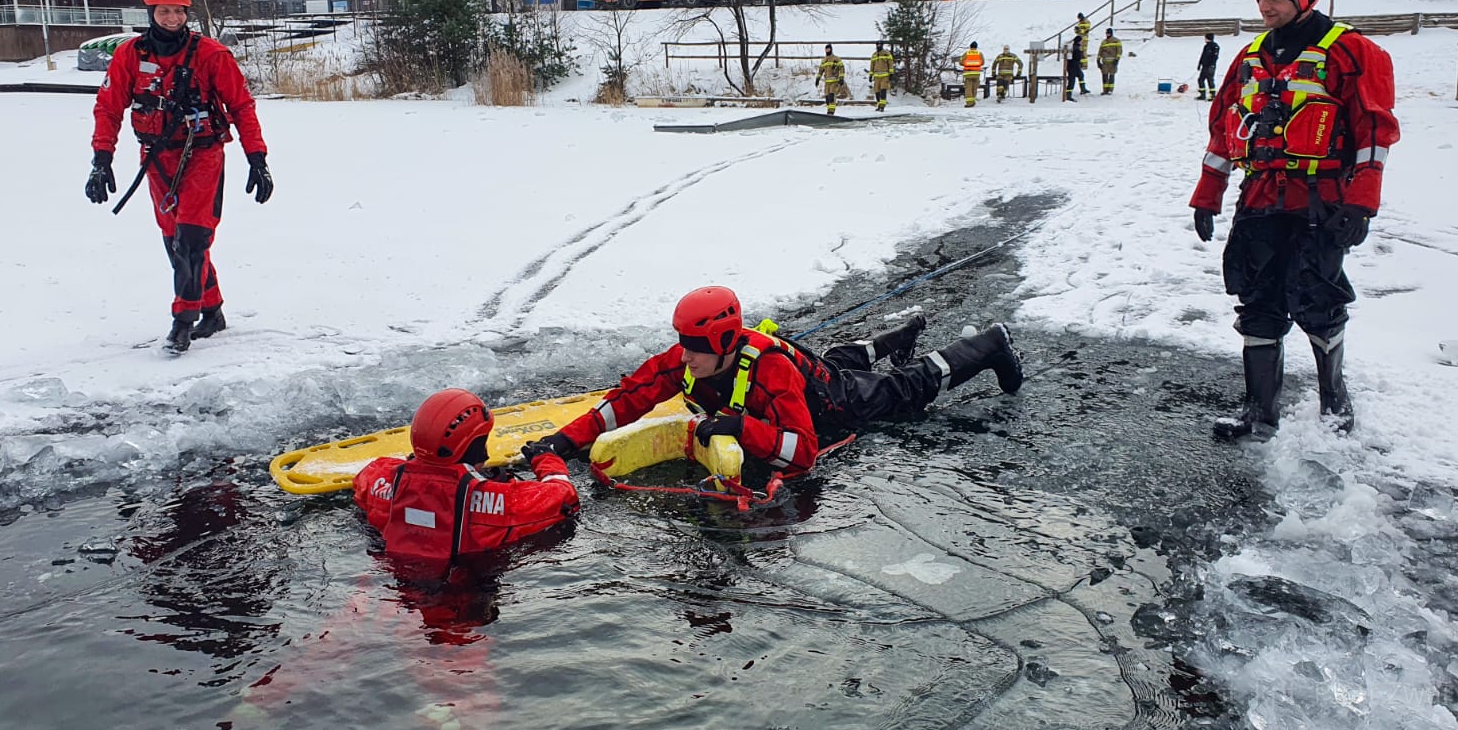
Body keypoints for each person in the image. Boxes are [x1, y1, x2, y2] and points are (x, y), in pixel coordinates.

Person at [1189, 0, 1400, 439]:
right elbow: (1224, 129)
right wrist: (1207, 192)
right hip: (1261, 197)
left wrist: (1361, 201)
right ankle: (1258, 412)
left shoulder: (1352, 52)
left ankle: (1335, 404)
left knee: (1318, 299)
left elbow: (1373, 132)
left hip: (1321, 198)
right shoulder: (1251, 57)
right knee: (1257, 298)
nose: (1266, 8)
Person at [521, 286, 1023, 480]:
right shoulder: (688, 358)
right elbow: (628, 400)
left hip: (836, 404)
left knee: (904, 390)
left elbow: (802, 452)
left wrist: (742, 429)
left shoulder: (770, 370)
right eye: (681, 342)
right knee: (843, 357)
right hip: (816, 372)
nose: (683, 355)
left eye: (693, 345)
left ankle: (991, 343)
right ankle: (902, 333)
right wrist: (565, 440)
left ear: (721, 342)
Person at [87, 0, 273, 354]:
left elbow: (241, 106)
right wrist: (101, 159)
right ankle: (213, 310)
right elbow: (108, 108)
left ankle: (182, 321)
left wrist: (258, 158)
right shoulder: (129, 56)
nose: (172, 18)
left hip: (203, 155)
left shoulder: (211, 56)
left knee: (192, 239)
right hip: (156, 159)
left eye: (179, 11)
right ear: (151, 10)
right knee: (176, 241)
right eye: (164, 11)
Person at [353, 389, 581, 568]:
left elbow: (367, 476)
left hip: (393, 580)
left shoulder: (378, 479)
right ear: (476, 448)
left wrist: (421, 463)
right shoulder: (503, 500)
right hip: (463, 599)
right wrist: (546, 458)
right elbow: (564, 498)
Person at [818, 44, 845, 115]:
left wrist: (841, 77)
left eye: (828, 49)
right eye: (826, 49)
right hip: (827, 82)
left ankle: (831, 111)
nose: (827, 50)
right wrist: (818, 78)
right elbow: (821, 70)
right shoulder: (824, 60)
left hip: (834, 81)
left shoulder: (836, 59)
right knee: (827, 98)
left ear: (831, 49)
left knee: (831, 97)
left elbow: (842, 67)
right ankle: (828, 110)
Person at [869, 41, 895, 112]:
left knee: (883, 90)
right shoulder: (874, 55)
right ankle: (879, 105)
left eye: (880, 44)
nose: (878, 46)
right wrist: (870, 75)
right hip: (877, 77)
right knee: (877, 91)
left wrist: (891, 73)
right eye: (877, 44)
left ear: (882, 45)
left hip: (885, 76)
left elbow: (890, 64)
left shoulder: (886, 54)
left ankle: (882, 106)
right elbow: (872, 65)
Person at [1097, 28, 1123, 95]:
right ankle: (1105, 90)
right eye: (1106, 33)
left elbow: (1119, 51)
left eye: (1108, 33)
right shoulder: (1104, 42)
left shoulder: (1116, 41)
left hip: (1112, 63)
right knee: (1104, 76)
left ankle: (1110, 90)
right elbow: (1100, 51)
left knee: (1111, 76)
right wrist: (1098, 60)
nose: (1107, 34)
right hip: (1105, 63)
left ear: (1111, 33)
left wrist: (1117, 59)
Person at [1196, 33, 1220, 101]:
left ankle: (1212, 95)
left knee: (1210, 80)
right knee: (1200, 80)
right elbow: (1203, 56)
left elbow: (1215, 57)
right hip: (1204, 66)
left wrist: (1212, 65)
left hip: (1210, 66)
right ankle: (1202, 94)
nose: (1204, 39)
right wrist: (1200, 64)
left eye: (1205, 38)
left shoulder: (1215, 46)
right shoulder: (1206, 46)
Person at [961, 41, 985, 107]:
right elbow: (982, 62)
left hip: (968, 73)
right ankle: (973, 101)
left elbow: (961, 61)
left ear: (970, 46)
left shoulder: (967, 53)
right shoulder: (980, 53)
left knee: (968, 88)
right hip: (976, 73)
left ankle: (969, 103)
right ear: (976, 47)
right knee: (974, 88)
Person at [1072, 12, 1092, 93]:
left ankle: (1084, 65)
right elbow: (1079, 32)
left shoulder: (1086, 22)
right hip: (1080, 38)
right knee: (1080, 52)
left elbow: (1086, 30)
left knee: (1083, 52)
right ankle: (1081, 64)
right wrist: (1077, 31)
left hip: (1084, 38)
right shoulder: (1080, 23)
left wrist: (1079, 30)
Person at [1062, 33, 1084, 102]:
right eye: (1081, 41)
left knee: (1081, 76)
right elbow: (1077, 57)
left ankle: (1083, 89)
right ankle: (1068, 95)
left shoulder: (1075, 47)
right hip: (1073, 66)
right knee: (1072, 81)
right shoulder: (1075, 48)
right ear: (1078, 41)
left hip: (1075, 66)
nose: (1082, 42)